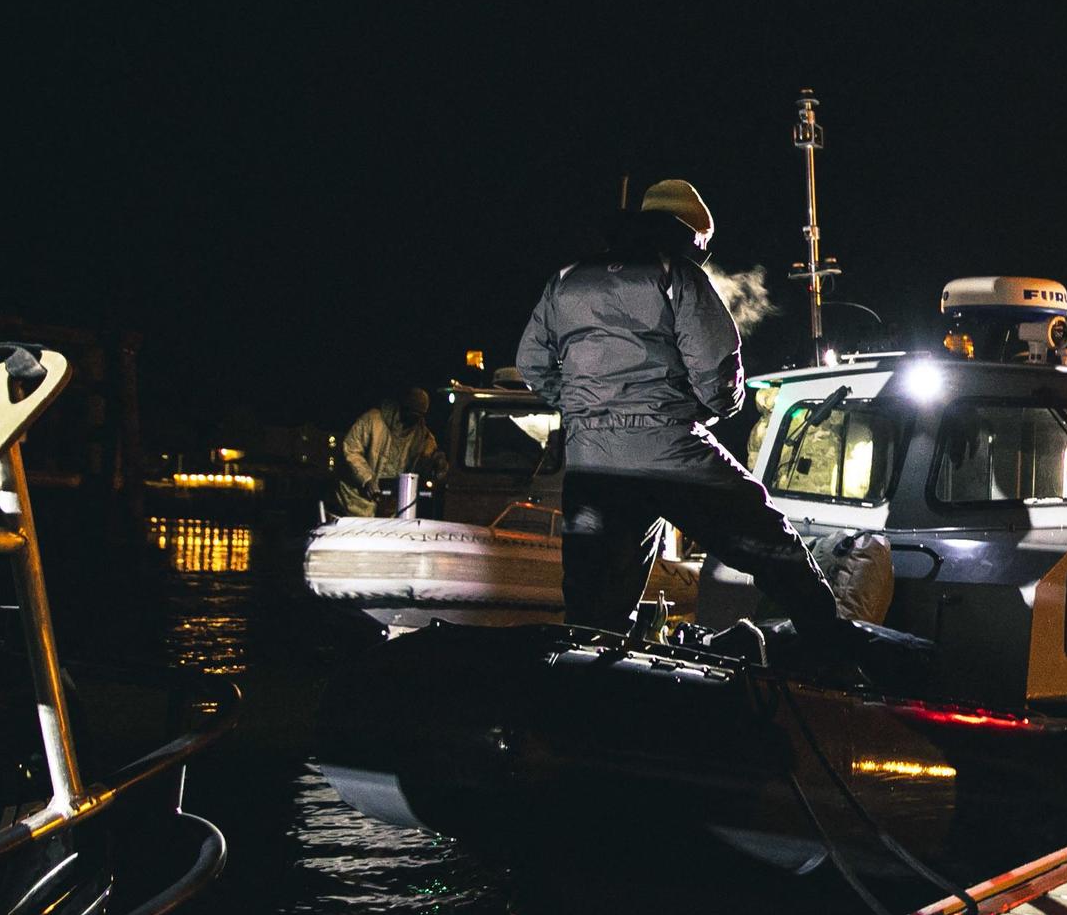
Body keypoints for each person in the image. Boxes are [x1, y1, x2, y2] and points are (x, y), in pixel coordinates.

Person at [514, 179, 849, 647]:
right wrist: (702, 411)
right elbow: (717, 373)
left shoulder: (568, 278)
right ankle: (831, 643)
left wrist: (585, 411)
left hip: (592, 464)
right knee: (770, 542)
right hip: (672, 451)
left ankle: (589, 686)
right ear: (692, 231)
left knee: (594, 601)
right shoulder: (677, 274)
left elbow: (531, 362)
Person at [331, 387, 446, 517]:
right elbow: (351, 449)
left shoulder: (421, 436)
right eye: (412, 413)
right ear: (403, 407)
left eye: (419, 415)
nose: (414, 419)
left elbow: (428, 464)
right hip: (355, 504)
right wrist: (367, 479)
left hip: (389, 509)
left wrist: (438, 464)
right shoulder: (372, 420)